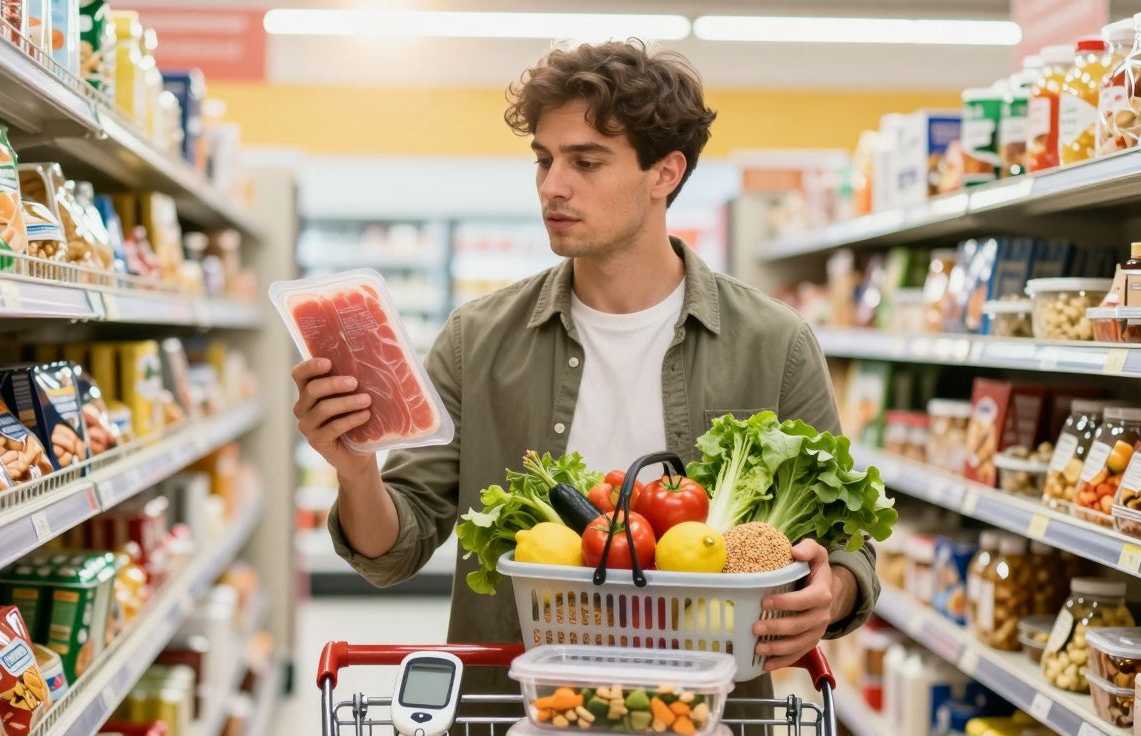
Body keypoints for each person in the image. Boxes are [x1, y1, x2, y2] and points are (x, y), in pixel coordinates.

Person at [291, 39, 879, 716]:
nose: (551, 186)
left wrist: (827, 595)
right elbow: (391, 552)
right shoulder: (476, 338)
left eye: (585, 161)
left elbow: (846, 549)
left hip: (704, 711)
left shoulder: (774, 344)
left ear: (666, 172)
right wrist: (357, 471)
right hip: (515, 712)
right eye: (544, 160)